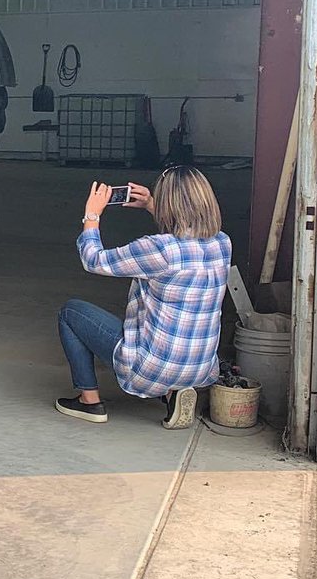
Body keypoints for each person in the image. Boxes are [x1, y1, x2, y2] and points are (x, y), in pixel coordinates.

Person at [55, 165, 231, 428]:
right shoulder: (222, 244)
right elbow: (184, 232)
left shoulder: (158, 250)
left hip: (148, 369)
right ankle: (175, 391)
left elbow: (93, 260)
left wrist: (92, 215)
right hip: (202, 368)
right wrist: (151, 204)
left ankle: (88, 401)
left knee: (71, 312)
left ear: (169, 204)